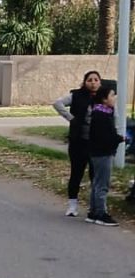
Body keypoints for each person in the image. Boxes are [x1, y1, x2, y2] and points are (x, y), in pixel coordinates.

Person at [53, 70, 101, 217]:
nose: (93, 83)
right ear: (84, 82)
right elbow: (57, 103)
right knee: (76, 173)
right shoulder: (76, 96)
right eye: (89, 80)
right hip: (78, 142)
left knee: (96, 176)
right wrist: (71, 118)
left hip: (96, 143)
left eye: (96, 80)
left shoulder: (104, 97)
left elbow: (114, 114)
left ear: (100, 82)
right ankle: (72, 206)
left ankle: (94, 206)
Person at [87, 85, 124, 226]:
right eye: (112, 95)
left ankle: (93, 211)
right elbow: (105, 137)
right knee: (102, 184)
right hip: (102, 153)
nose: (114, 99)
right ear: (104, 99)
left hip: (97, 152)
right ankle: (101, 213)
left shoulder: (101, 113)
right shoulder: (102, 116)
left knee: (96, 182)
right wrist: (120, 139)